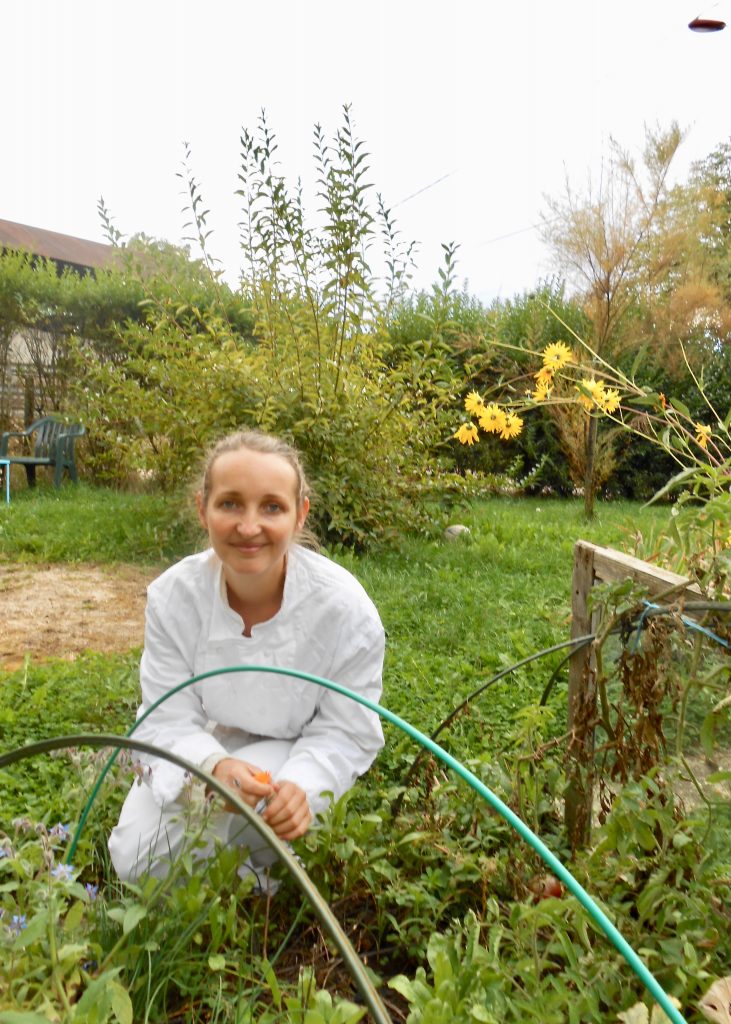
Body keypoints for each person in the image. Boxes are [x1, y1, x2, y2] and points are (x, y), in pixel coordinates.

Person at [109, 430, 385, 884]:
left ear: (301, 515)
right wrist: (213, 767)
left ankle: (255, 873)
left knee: (250, 825)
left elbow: (347, 728)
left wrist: (303, 787)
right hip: (212, 747)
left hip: (297, 752)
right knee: (137, 858)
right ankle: (251, 878)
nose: (249, 526)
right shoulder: (173, 597)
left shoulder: (345, 611)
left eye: (272, 507)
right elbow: (164, 716)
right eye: (230, 503)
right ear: (203, 509)